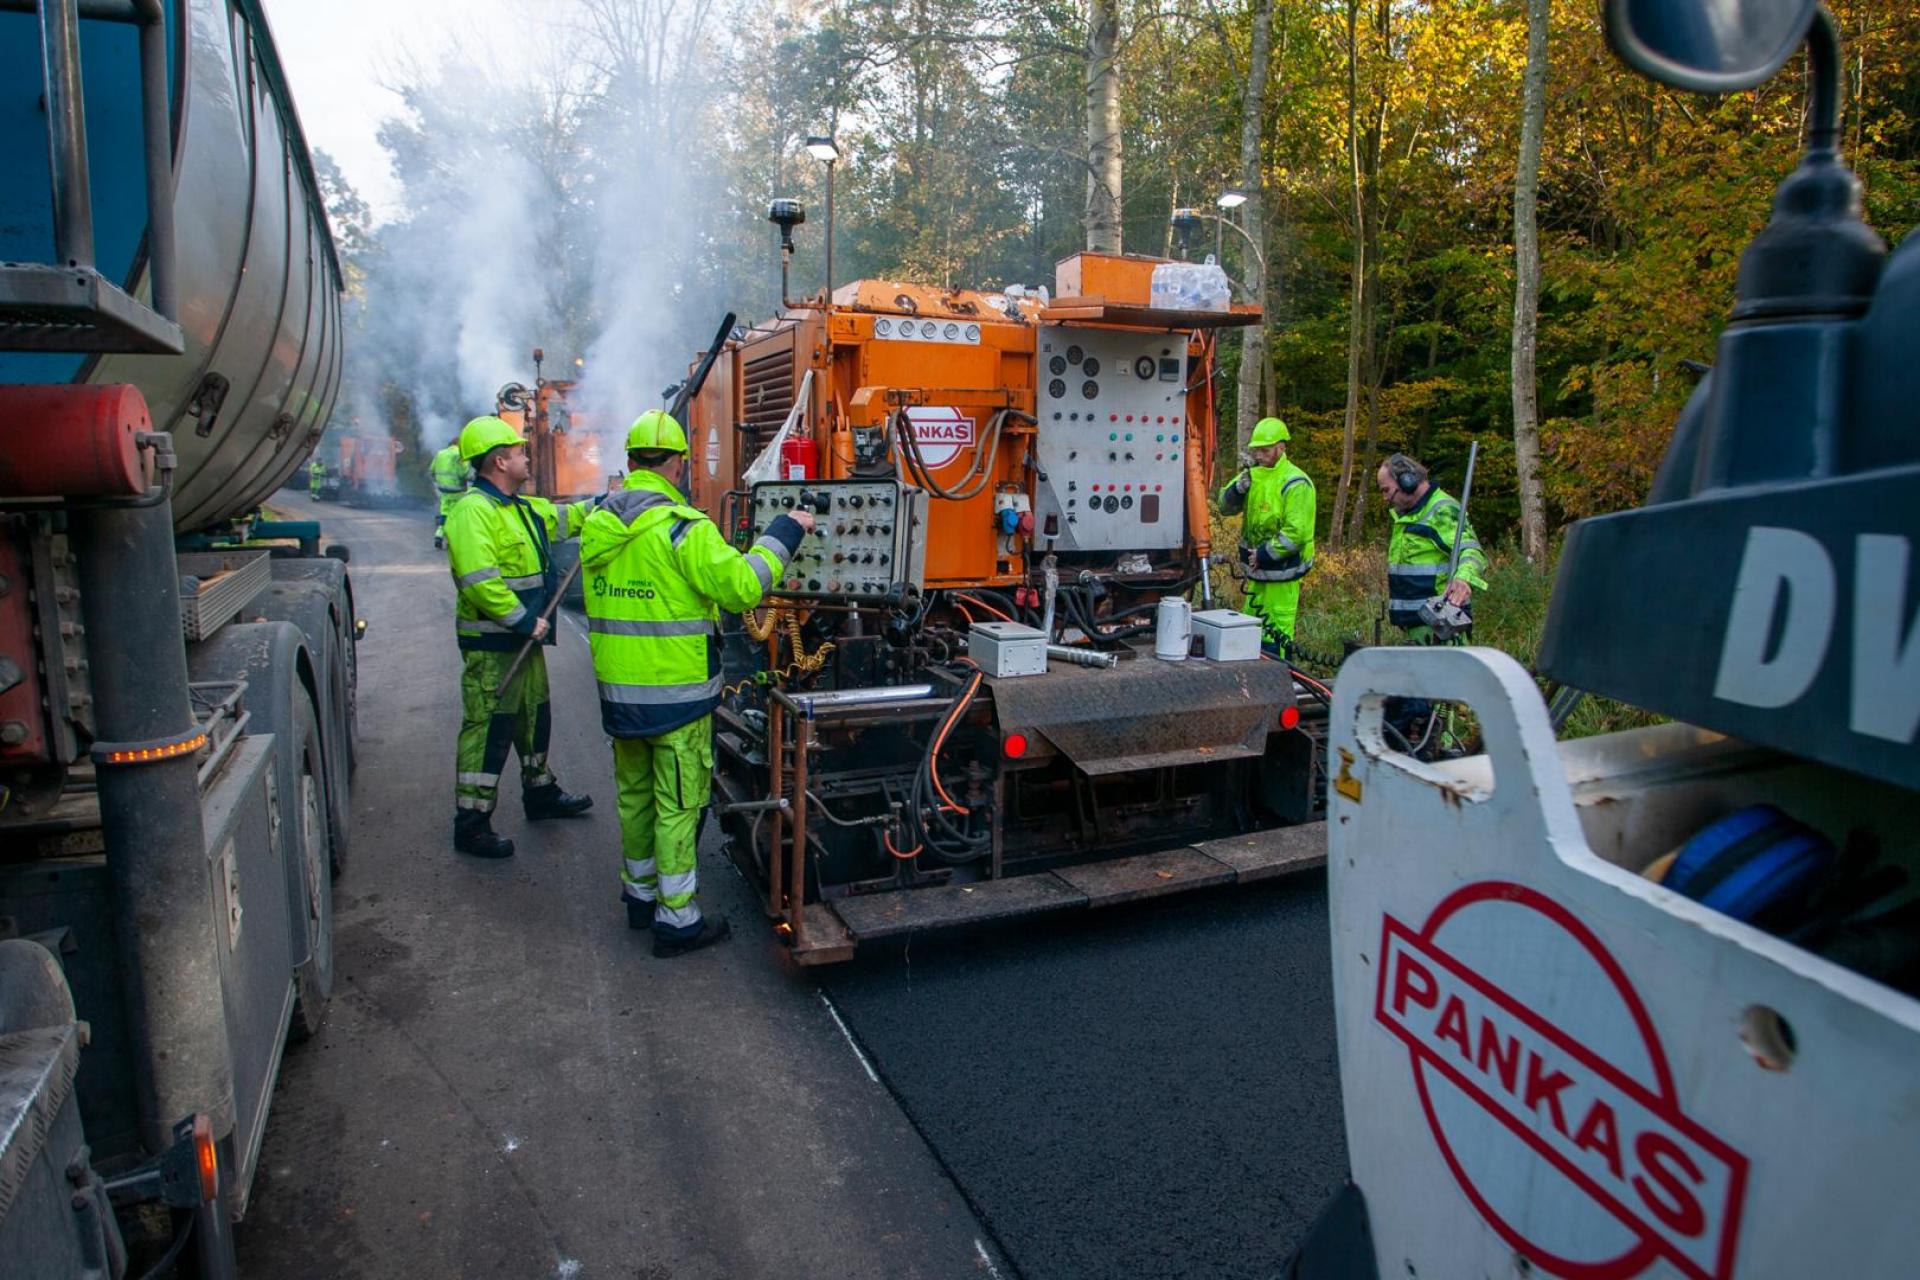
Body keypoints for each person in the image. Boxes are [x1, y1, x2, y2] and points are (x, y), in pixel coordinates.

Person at [579, 410, 812, 957]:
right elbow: (742, 587)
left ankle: (640, 899)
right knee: (678, 806)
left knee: (634, 799)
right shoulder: (684, 529)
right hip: (677, 700)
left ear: (632, 461)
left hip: (620, 696)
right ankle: (677, 921)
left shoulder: (598, 524)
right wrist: (785, 531)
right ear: (677, 463)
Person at [444, 415, 595, 858]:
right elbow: (479, 581)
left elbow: (565, 517)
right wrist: (524, 621)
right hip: (495, 648)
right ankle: (471, 824)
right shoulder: (472, 513)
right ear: (499, 461)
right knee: (488, 730)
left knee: (534, 717)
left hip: (523, 646)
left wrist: (607, 502)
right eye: (519, 452)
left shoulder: (520, 509)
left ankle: (540, 794)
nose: (527, 457)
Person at [1219, 417, 1315, 649]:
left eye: (1265, 450)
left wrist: (1264, 554)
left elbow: (1296, 533)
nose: (1259, 455)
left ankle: (1281, 679)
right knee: (1251, 634)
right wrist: (1238, 489)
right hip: (1256, 573)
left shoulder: (1295, 482)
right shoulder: (1252, 476)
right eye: (1257, 450)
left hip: (1282, 573)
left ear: (1280, 448)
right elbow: (1224, 506)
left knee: (1277, 635)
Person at [1374, 452, 1487, 641]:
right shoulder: (1410, 516)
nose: (1385, 498)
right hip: (1418, 628)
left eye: (1386, 490)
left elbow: (1472, 551)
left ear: (1407, 482)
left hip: (1442, 629)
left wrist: (1463, 579)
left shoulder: (1442, 511)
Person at [430, 435, 470, 550]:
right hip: (458, 491)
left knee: (445, 514)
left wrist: (438, 482)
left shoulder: (440, 454)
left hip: (443, 490)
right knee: (456, 515)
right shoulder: (460, 455)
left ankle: (439, 535)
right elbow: (463, 473)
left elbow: (431, 471)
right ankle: (451, 540)